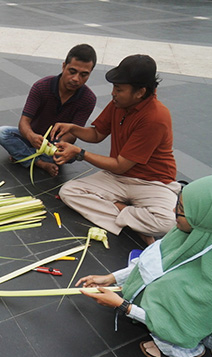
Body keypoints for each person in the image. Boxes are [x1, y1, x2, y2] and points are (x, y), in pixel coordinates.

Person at [76, 174, 212, 357]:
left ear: (207, 214)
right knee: (162, 289)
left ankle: (186, 350)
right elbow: (158, 263)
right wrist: (111, 278)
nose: (172, 212)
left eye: (180, 210)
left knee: (169, 307)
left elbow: (188, 318)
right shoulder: (208, 228)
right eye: (178, 204)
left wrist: (124, 307)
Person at [53, 54, 180, 244]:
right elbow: (97, 134)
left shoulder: (156, 117)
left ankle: (122, 212)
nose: (113, 93)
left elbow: (121, 165)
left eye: (119, 89)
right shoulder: (120, 103)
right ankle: (135, 220)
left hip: (152, 182)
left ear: (140, 92)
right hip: (117, 177)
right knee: (69, 192)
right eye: (114, 87)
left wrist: (79, 153)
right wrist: (73, 128)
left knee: (168, 223)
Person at [0, 44, 97, 177]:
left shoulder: (88, 99)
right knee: (2, 133)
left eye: (84, 75)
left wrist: (55, 146)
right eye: (72, 71)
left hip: (56, 144)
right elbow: (24, 122)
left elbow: (73, 133)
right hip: (33, 137)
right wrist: (31, 136)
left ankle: (23, 155)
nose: (76, 79)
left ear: (90, 73)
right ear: (64, 66)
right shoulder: (42, 87)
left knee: (71, 156)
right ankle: (40, 163)